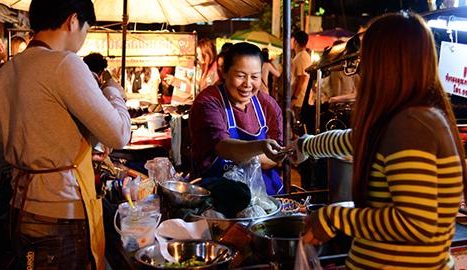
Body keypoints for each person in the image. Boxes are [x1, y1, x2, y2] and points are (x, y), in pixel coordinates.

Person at [291, 13, 466, 269]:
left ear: (386, 64)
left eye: (366, 58)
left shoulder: (412, 125)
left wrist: (334, 218)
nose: (360, 68)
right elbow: (354, 140)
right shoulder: (407, 118)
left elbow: (416, 224)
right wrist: (306, 145)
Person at [0, 0, 131, 269]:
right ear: (73, 20)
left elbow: (1, 155)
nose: (83, 39)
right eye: (86, 30)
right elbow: (119, 134)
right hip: (61, 216)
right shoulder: (65, 64)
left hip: (19, 212)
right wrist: (113, 92)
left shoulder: (5, 72)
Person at [190, 42, 286, 195]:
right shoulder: (208, 101)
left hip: (267, 195)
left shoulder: (268, 105)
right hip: (219, 195)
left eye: (254, 76)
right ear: (224, 73)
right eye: (240, 76)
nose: (247, 84)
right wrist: (261, 148)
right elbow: (223, 147)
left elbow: (277, 157)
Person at [291, 31, 312, 117]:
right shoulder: (304, 55)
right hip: (301, 98)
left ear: (295, 41)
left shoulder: (301, 57)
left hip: (299, 100)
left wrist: (294, 97)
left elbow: (302, 78)